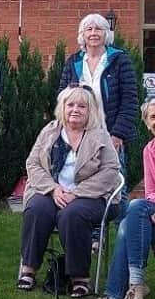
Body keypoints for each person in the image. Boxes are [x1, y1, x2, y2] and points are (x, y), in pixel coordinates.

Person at [17, 85, 120, 298]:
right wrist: (53, 189)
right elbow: (33, 163)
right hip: (51, 191)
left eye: (82, 106)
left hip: (91, 197)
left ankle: (79, 277)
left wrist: (76, 193)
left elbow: (111, 171)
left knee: (72, 214)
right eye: (70, 104)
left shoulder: (100, 135)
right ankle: (28, 269)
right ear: (62, 108)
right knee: (37, 208)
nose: (75, 109)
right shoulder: (50, 131)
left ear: (90, 110)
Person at [80, 95, 155, 299]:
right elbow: (152, 191)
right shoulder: (150, 150)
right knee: (137, 208)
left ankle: (118, 296)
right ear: (147, 124)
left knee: (126, 227)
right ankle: (135, 285)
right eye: (153, 117)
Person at [59, 13, 138, 245]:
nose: (93, 33)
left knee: (115, 187)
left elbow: (130, 100)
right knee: (85, 184)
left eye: (99, 29)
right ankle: (95, 234)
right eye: (89, 29)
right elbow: (62, 97)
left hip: (110, 135)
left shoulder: (119, 60)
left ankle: (127, 236)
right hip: (80, 136)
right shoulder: (73, 61)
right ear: (82, 35)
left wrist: (118, 134)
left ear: (107, 34)